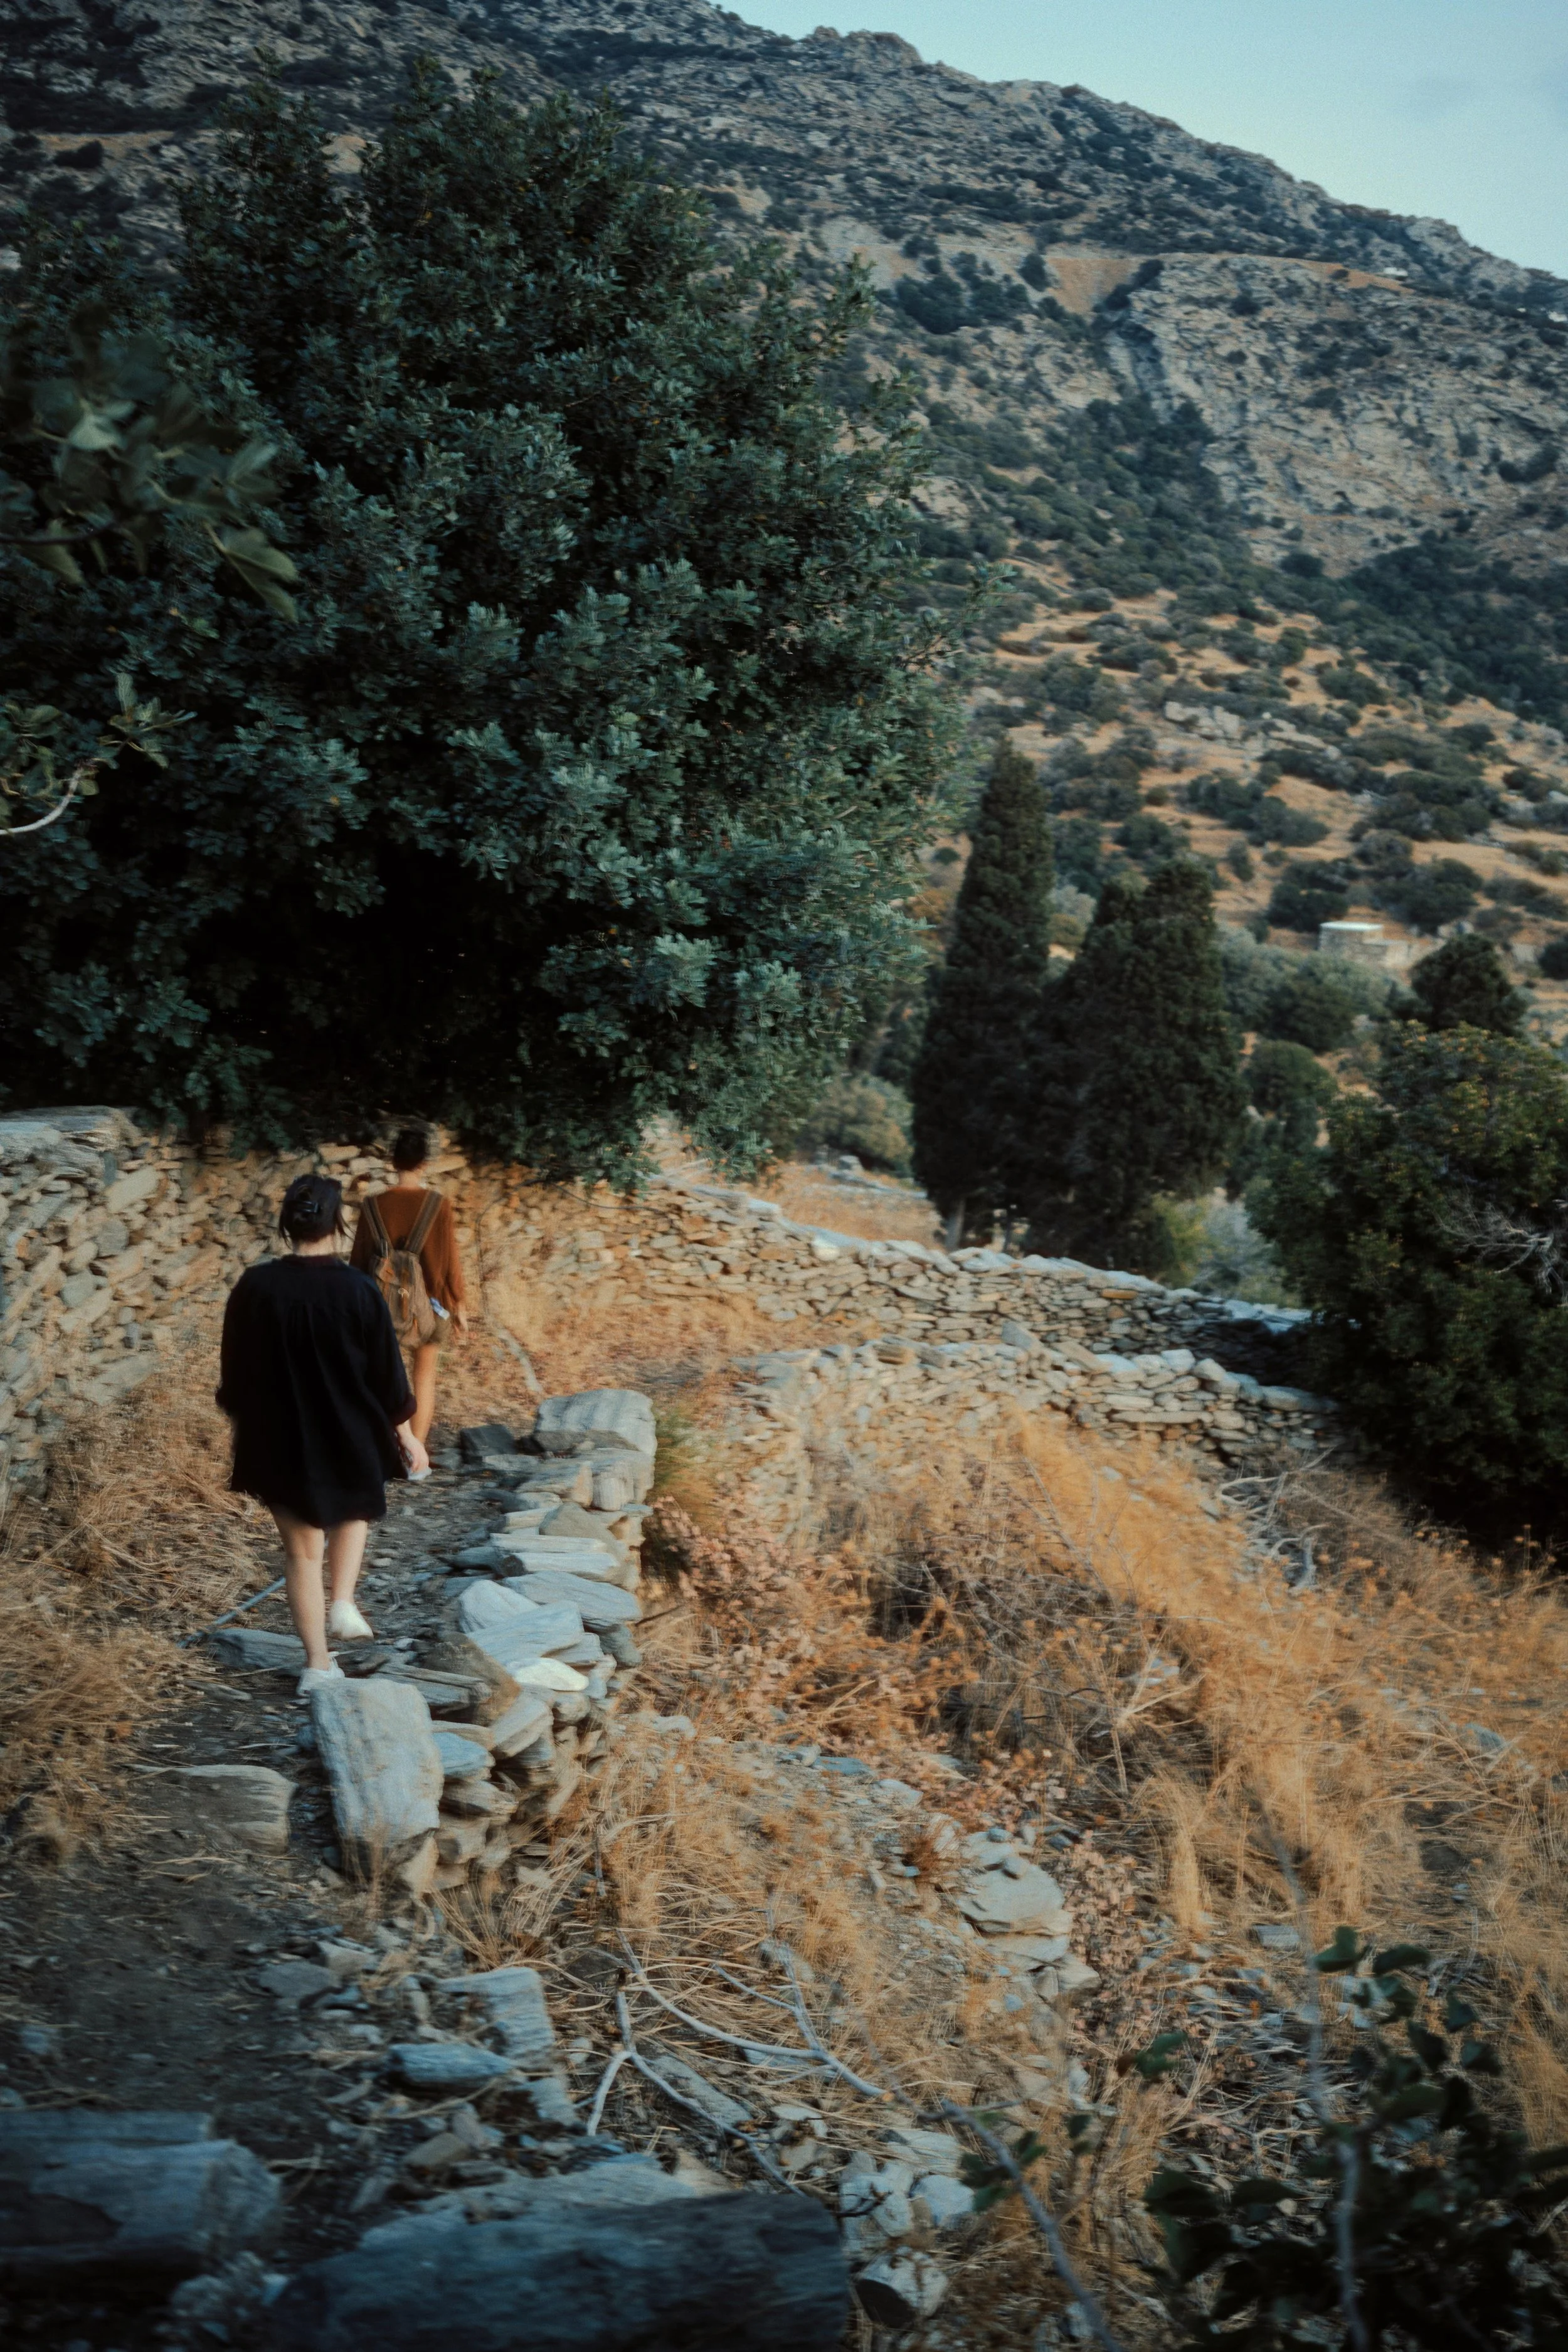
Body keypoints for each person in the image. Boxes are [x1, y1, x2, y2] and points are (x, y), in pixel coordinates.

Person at [217, 1173, 429, 1698]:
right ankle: (344, 1602)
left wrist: (245, 1422)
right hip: (351, 1432)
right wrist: (406, 1432)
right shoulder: (358, 1290)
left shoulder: (255, 1287)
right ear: (339, 1224)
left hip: (280, 1439)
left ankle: (316, 1665)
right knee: (357, 1509)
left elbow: (235, 1372)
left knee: (301, 1554)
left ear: (288, 1225)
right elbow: (387, 1374)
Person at [349, 1125, 468, 1446]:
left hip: (380, 1307)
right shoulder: (437, 1204)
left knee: (380, 1379)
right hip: (430, 1306)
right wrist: (458, 1306)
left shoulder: (373, 1205)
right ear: (425, 1163)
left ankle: (381, 1449)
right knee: (424, 1379)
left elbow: (358, 1262)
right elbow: (449, 1262)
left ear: (393, 1161)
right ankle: (415, 1458)